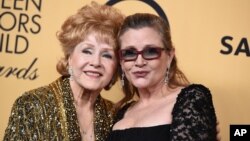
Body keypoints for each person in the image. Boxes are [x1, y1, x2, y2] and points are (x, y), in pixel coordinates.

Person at [3, 2, 124, 141]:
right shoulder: (32, 105)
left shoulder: (114, 115)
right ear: (70, 56)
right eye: (87, 51)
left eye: (107, 55)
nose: (96, 62)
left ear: (116, 67)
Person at [106, 13, 217, 141]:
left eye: (151, 51)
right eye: (129, 53)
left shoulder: (191, 99)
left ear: (169, 56)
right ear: (121, 60)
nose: (139, 62)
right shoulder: (122, 112)